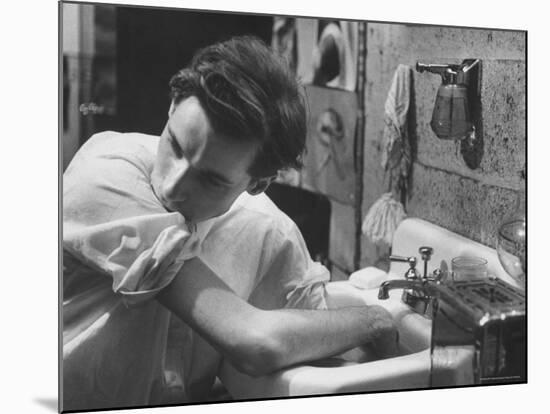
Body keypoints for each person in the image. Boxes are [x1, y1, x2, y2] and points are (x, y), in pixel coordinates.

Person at [62, 35, 398, 411]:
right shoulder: (106, 171)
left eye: (210, 179)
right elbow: (256, 342)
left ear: (259, 183)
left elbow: (321, 358)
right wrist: (375, 321)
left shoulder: (269, 233)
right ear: (173, 104)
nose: (172, 185)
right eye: (175, 145)